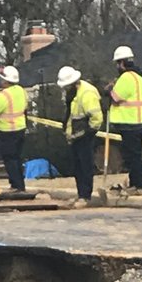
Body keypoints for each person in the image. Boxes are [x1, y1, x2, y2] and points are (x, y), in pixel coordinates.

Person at [57, 65, 103, 205]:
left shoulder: (86, 93)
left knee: (85, 165)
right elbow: (71, 115)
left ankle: (85, 196)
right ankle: (80, 194)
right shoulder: (73, 94)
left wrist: (89, 132)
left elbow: (96, 117)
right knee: (77, 166)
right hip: (76, 135)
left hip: (85, 135)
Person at [107, 44, 142, 190]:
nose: (117, 66)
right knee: (135, 156)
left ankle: (138, 185)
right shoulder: (138, 77)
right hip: (139, 122)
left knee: (132, 157)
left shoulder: (126, 78)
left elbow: (116, 97)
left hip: (129, 123)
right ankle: (135, 184)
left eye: (118, 63)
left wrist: (110, 89)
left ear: (122, 62)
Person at [0, 66, 28, 190]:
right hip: (20, 129)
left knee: (10, 160)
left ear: (5, 80)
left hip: (7, 131)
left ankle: (16, 186)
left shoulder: (4, 95)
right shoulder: (21, 91)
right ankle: (20, 185)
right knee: (17, 159)